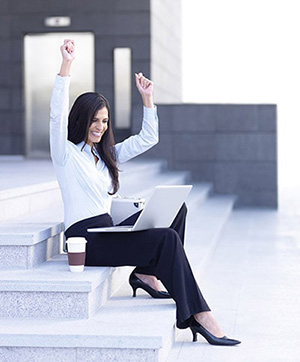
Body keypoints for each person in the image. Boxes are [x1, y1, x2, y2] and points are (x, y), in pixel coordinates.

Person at [49, 39, 241, 346]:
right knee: (166, 238)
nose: (99, 127)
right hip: (86, 241)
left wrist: (147, 99)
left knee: (176, 209)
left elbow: (147, 139)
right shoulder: (65, 155)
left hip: (106, 228)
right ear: (81, 120)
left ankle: (146, 274)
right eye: (94, 121)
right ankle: (198, 314)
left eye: (104, 121)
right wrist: (67, 66)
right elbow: (56, 115)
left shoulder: (105, 155)